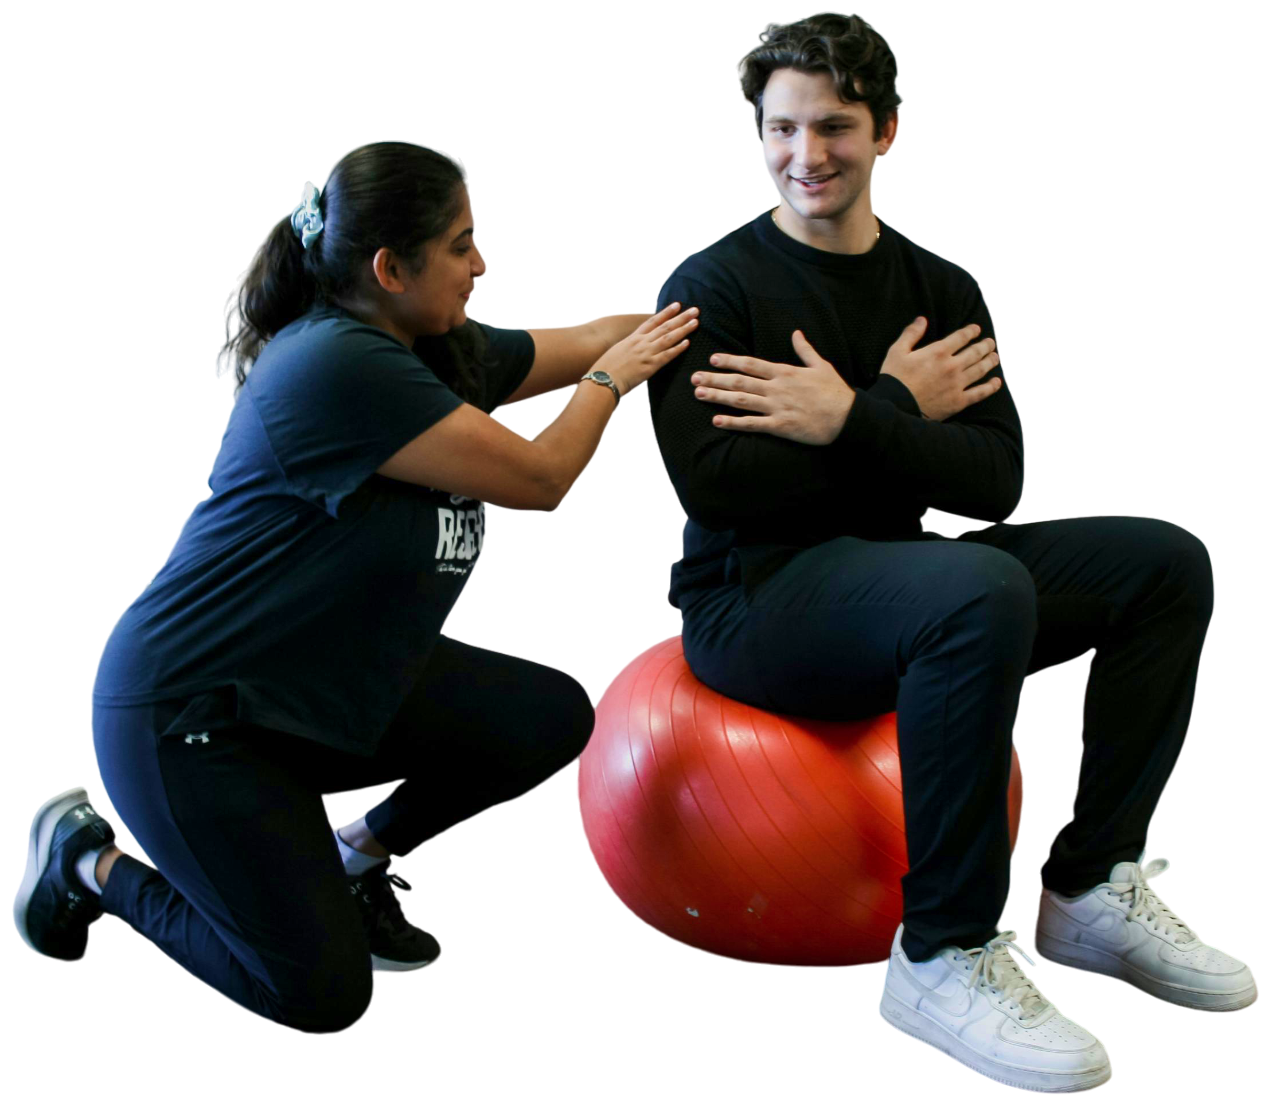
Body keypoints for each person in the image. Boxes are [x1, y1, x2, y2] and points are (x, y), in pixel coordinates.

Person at [15, 13, 1252, 1068]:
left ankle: (1089, 888)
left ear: (886, 131)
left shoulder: (934, 287)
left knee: (1162, 563)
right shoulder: (352, 363)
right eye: (781, 126)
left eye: (831, 125)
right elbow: (680, 482)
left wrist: (807, 400)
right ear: (388, 267)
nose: (805, 152)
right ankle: (91, 858)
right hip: (218, 699)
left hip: (327, 667)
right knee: (318, 996)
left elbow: (993, 474)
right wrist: (877, 412)